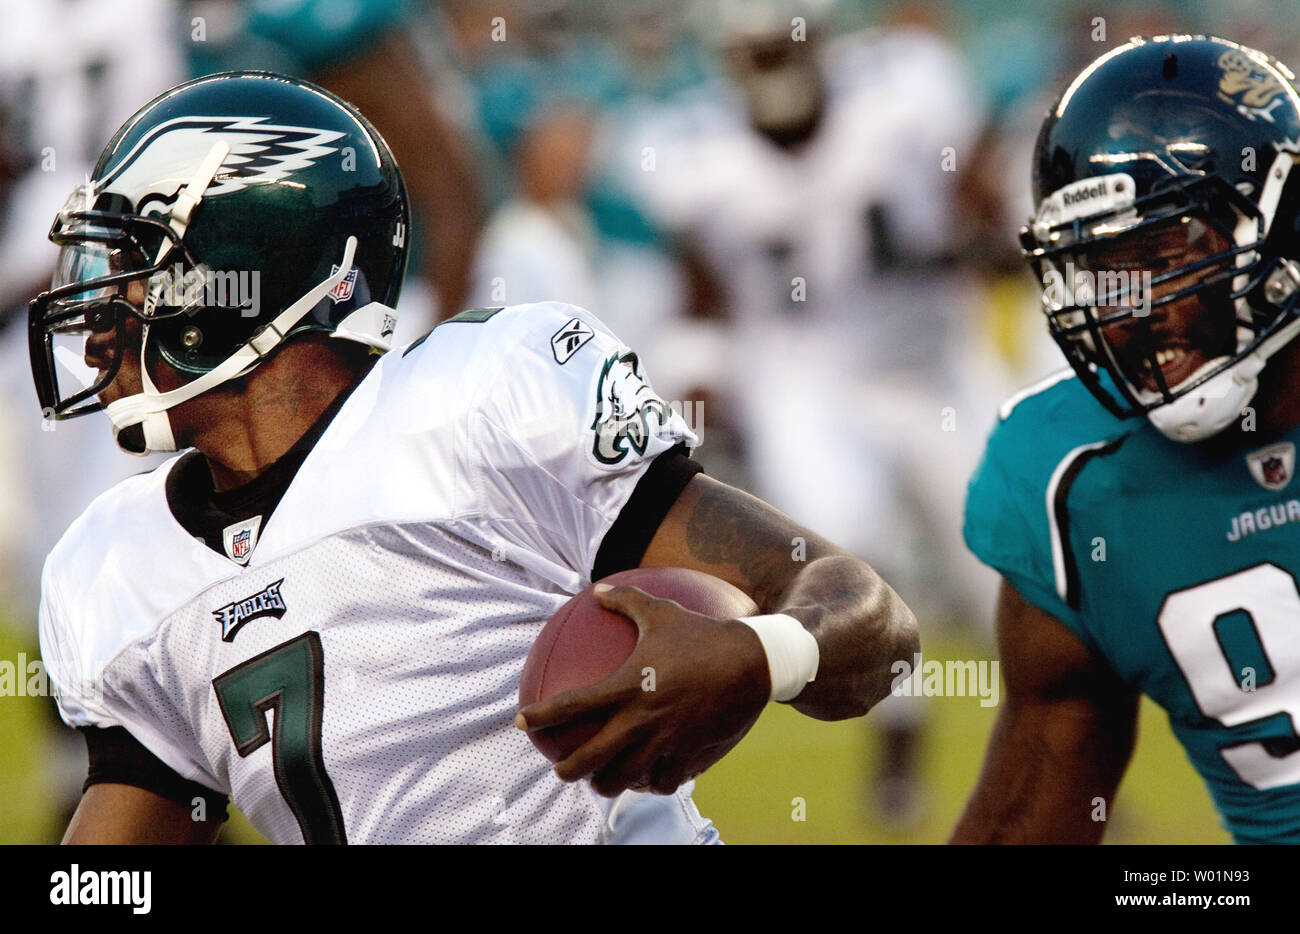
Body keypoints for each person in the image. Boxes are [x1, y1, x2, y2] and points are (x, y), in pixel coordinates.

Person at [32, 71, 917, 844]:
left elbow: (869, 618)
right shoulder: (119, 565)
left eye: (133, 264)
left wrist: (765, 656)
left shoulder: (480, 403)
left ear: (238, 274)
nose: (94, 307)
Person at [954, 35, 1300, 844]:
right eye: (1100, 273)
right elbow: (1028, 821)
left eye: (1160, 253)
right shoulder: (1070, 480)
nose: (1128, 311)